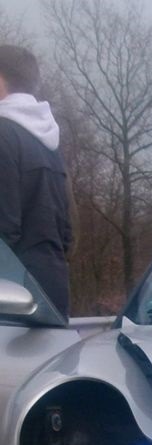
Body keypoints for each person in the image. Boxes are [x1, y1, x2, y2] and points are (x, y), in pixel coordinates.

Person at [0, 45, 73, 318]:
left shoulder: (3, 134)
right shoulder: (49, 142)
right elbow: (67, 234)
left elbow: (4, 231)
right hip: (53, 293)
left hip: (11, 301)